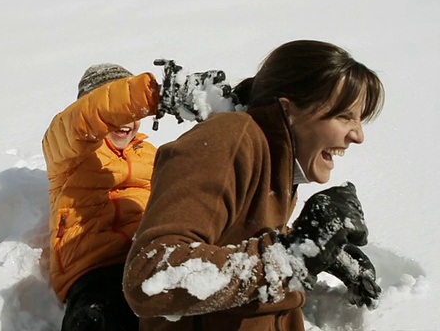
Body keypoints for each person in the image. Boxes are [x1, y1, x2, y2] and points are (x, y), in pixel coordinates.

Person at [122, 40, 385, 331]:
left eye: (359, 119)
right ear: (289, 111)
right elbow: (151, 274)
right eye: (343, 116)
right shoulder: (229, 140)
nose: (358, 136)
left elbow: (235, 241)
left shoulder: (277, 163)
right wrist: (291, 258)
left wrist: (322, 252)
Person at [41, 63, 160, 330]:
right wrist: (147, 95)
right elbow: (76, 121)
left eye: (134, 112)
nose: (127, 120)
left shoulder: (150, 153)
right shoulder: (69, 154)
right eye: (120, 109)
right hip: (95, 269)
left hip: (149, 257)